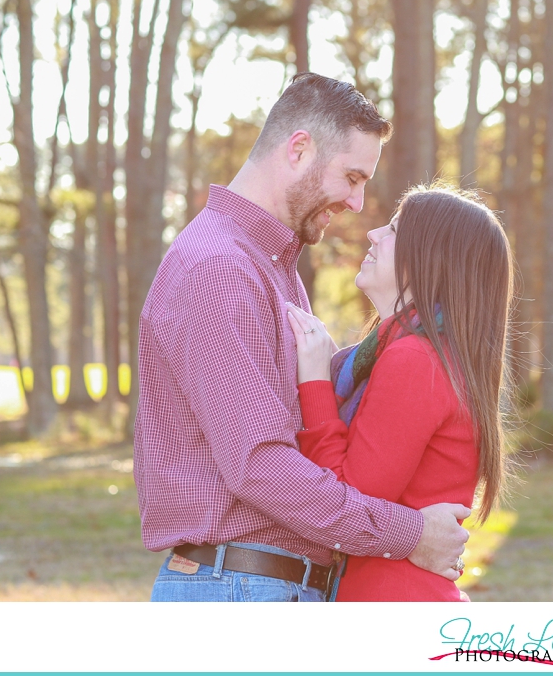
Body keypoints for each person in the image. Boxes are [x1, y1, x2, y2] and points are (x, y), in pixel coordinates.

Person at [133, 73, 470, 602]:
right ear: (299, 149)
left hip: (260, 588)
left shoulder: (271, 267)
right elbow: (260, 466)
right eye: (352, 177)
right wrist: (409, 535)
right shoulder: (220, 268)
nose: (358, 203)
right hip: (239, 591)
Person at [284, 184, 514, 601]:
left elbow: (349, 499)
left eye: (394, 229)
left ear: (432, 258)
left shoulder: (415, 360)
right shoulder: (418, 356)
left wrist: (314, 382)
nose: (373, 235)